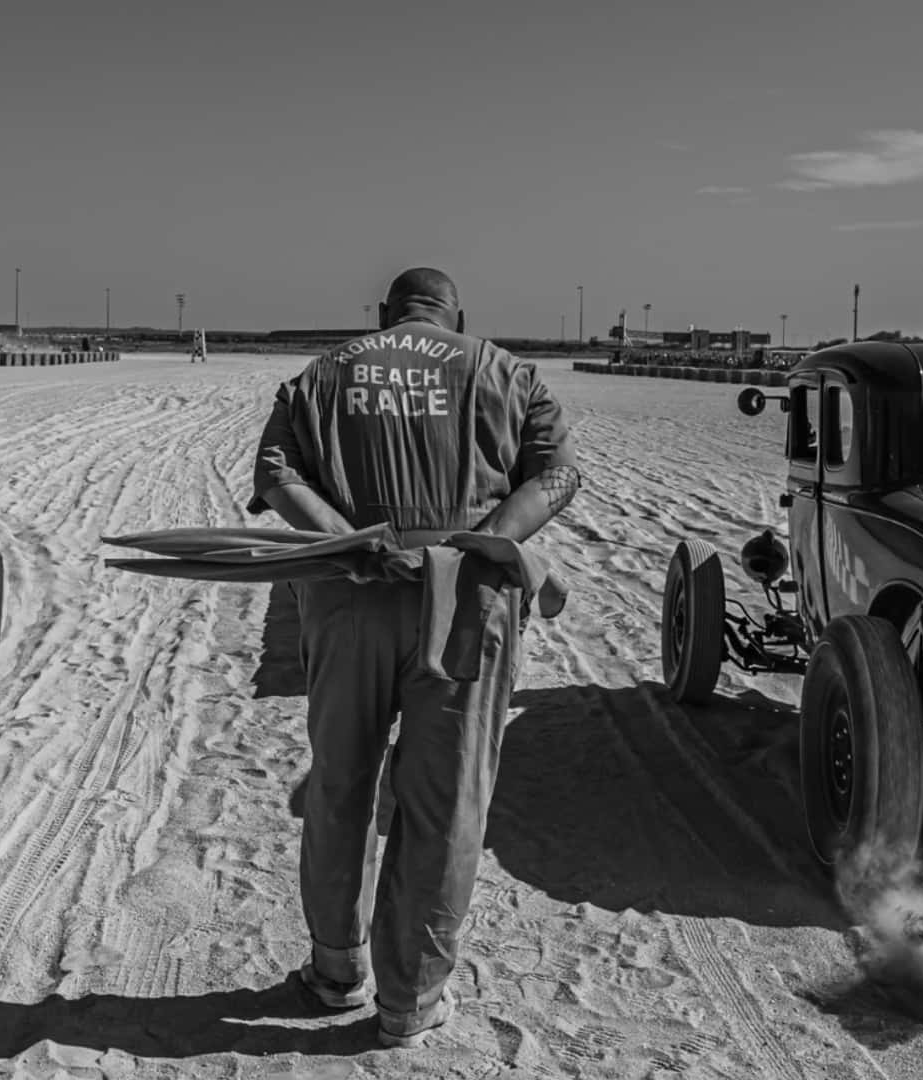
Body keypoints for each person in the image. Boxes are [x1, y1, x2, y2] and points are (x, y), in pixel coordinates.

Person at [248, 267, 581, 1048]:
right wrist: (481, 541)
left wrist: (354, 542)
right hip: (466, 606)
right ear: (456, 317)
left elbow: (275, 474)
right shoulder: (507, 371)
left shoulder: (320, 375)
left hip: (348, 598)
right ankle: (411, 1001)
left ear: (383, 315)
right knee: (445, 802)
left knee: (341, 786)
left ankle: (336, 971)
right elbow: (558, 475)